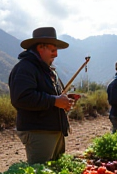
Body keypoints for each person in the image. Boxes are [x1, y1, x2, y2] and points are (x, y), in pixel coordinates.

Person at [9, 27, 74, 165]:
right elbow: (21, 98)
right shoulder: (25, 68)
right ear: (40, 48)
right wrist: (55, 101)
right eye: (52, 50)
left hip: (52, 130)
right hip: (38, 131)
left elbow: (51, 97)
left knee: (54, 173)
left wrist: (63, 101)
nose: (56, 54)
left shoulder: (47, 70)